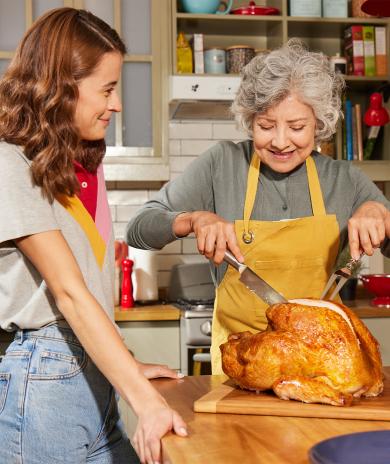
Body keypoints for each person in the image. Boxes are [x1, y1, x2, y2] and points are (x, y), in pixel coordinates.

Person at [126, 39, 390, 374]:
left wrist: (380, 215)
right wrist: (194, 219)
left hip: (321, 364)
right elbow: (138, 227)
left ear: (319, 124)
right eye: (266, 126)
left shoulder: (344, 179)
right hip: (242, 366)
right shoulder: (221, 164)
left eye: (296, 127)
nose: (280, 141)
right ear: (249, 120)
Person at [0, 8, 187, 464]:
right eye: (106, 88)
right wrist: (145, 400)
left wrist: (128, 366)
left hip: (89, 379)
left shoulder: (75, 167)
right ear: (61, 87)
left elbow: (90, 293)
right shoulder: (8, 164)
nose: (117, 104)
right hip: (43, 380)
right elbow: (67, 293)